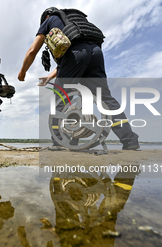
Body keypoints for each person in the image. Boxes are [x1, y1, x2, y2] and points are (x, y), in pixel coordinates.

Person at [18, 7, 140, 150]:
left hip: (74, 54)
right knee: (105, 99)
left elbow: (33, 50)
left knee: (59, 100)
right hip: (96, 53)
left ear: (46, 17)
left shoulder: (49, 20)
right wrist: (49, 78)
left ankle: (59, 143)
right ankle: (130, 140)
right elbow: (80, 54)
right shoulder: (75, 21)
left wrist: (22, 73)